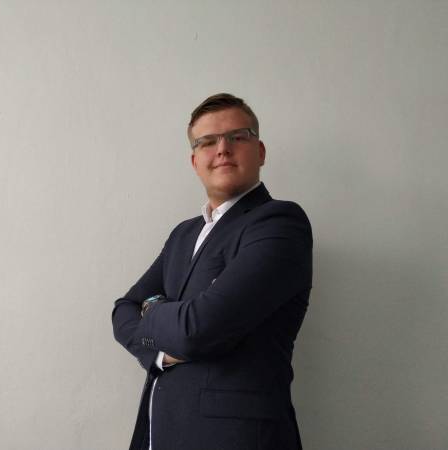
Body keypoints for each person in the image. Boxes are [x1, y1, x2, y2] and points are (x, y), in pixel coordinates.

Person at [112, 93, 313, 450]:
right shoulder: (183, 234)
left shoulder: (279, 223)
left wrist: (152, 309)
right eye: (207, 141)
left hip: (235, 439)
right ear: (195, 161)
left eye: (238, 136)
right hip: (160, 433)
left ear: (260, 151)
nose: (222, 149)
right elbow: (123, 309)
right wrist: (159, 354)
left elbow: (199, 328)